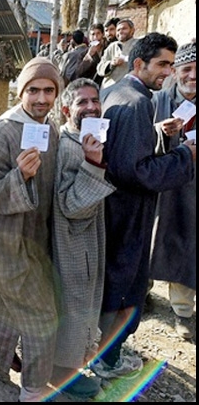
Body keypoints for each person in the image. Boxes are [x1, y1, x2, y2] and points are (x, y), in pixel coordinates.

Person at [94, 32, 196, 380]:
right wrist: (185, 155)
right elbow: (135, 171)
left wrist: (157, 133)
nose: (168, 73)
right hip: (129, 212)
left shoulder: (117, 92)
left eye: (171, 64)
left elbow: (123, 148)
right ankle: (106, 361)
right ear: (139, 63)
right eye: (163, 64)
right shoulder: (137, 101)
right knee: (124, 284)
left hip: (111, 208)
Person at [0, 57, 61, 402]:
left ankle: (4, 365)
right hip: (8, 241)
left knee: (19, 313)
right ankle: (31, 391)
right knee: (43, 318)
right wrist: (19, 177)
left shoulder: (51, 128)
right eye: (34, 90)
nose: (41, 99)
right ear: (21, 92)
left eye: (49, 91)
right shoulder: (4, 131)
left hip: (39, 242)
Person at [51, 78, 116, 399]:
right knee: (73, 307)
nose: (91, 107)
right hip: (71, 244)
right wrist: (92, 164)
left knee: (81, 305)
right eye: (82, 102)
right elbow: (71, 205)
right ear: (66, 110)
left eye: (95, 101)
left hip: (86, 241)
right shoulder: (68, 148)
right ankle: (61, 373)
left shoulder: (85, 140)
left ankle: (71, 364)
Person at [149, 40, 196, 340]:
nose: (193, 77)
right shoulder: (157, 100)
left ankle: (182, 311)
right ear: (176, 70)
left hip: (192, 187)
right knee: (150, 240)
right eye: (188, 69)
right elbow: (140, 138)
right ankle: (141, 293)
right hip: (159, 185)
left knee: (187, 242)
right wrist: (161, 133)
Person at [97, 18, 137, 88]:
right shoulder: (112, 46)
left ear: (132, 30)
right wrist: (111, 64)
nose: (120, 32)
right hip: (109, 87)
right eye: (118, 30)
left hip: (129, 89)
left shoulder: (138, 45)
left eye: (124, 29)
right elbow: (100, 68)